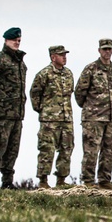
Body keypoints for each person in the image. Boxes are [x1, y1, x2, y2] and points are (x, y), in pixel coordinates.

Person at [0, 27, 28, 189]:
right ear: (6, 40)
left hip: (17, 114)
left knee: (12, 149)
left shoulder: (20, 62)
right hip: (1, 113)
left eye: (19, 40)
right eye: (14, 40)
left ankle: (7, 181)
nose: (17, 42)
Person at [75, 38, 112, 189]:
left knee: (109, 150)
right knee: (91, 150)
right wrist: (89, 108)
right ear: (99, 50)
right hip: (93, 117)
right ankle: (88, 181)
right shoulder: (91, 69)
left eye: (109, 49)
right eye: (104, 49)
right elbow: (79, 92)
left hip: (111, 117)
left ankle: (104, 180)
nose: (107, 52)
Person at [31, 45, 75, 188]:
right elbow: (35, 94)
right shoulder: (44, 74)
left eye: (65, 55)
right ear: (53, 57)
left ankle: (61, 180)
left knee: (66, 149)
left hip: (66, 119)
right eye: (61, 55)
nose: (64, 57)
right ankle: (43, 181)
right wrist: (43, 111)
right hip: (49, 120)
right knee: (47, 149)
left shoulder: (68, 74)